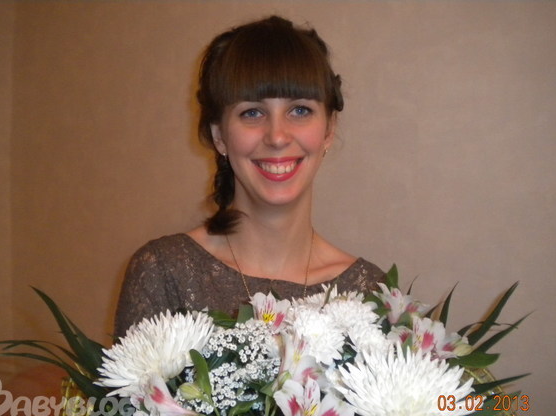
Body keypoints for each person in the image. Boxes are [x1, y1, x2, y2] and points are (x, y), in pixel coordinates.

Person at [114, 16, 384, 337]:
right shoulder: (163, 274)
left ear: (329, 130)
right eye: (252, 112)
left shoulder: (372, 293)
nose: (277, 137)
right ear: (219, 136)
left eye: (299, 110)